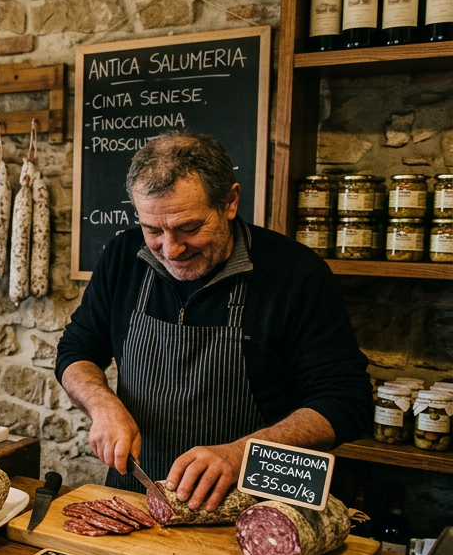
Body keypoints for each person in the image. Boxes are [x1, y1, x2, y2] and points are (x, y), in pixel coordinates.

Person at [56, 132, 370, 512]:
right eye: (153, 230)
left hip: (255, 508)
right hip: (141, 497)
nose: (171, 249)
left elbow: (345, 401)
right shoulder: (123, 257)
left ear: (230, 201)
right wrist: (101, 403)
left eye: (189, 228)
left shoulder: (296, 275)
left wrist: (241, 455)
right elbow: (77, 350)